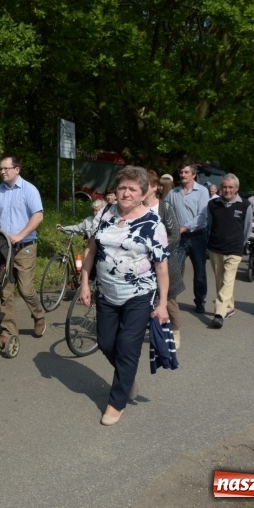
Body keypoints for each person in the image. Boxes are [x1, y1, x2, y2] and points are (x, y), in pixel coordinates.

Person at [78, 166, 169, 426]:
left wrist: (162, 304)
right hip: (106, 292)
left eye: (132, 189)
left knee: (128, 346)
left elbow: (161, 267)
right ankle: (126, 376)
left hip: (139, 295)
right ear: (115, 191)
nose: (126, 193)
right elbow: (91, 250)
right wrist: (85, 283)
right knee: (106, 343)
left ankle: (116, 401)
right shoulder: (105, 214)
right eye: (122, 188)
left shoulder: (153, 224)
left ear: (142, 194)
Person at [0, 155, 46, 339]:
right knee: (5, 290)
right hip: (4, 249)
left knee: (25, 289)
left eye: (6, 168)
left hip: (25, 247)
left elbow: (38, 216)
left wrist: (20, 235)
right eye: (0, 169)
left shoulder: (29, 190)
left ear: (17, 170)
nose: (2, 172)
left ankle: (39, 316)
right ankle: (9, 331)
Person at [206, 174, 252, 328]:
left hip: (234, 249)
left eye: (231, 187)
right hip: (216, 248)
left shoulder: (245, 205)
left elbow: (247, 229)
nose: (227, 190)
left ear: (237, 189)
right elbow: (210, 225)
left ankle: (219, 313)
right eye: (225, 187)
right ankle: (230, 307)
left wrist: (241, 244)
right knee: (220, 281)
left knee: (228, 280)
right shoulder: (213, 205)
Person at [143, 170, 184, 348]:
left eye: (146, 184)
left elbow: (175, 235)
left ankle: (175, 330)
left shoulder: (164, 207)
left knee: (168, 299)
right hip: (142, 262)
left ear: (155, 187)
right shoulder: (136, 207)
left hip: (163, 260)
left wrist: (159, 251)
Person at [165, 162, 210, 313]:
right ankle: (171, 301)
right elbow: (167, 212)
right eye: (181, 172)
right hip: (179, 238)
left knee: (199, 271)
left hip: (197, 236)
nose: (182, 175)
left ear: (193, 175)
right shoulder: (174, 193)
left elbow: (202, 216)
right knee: (174, 269)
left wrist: (185, 227)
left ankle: (200, 301)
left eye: (186, 172)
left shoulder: (202, 191)